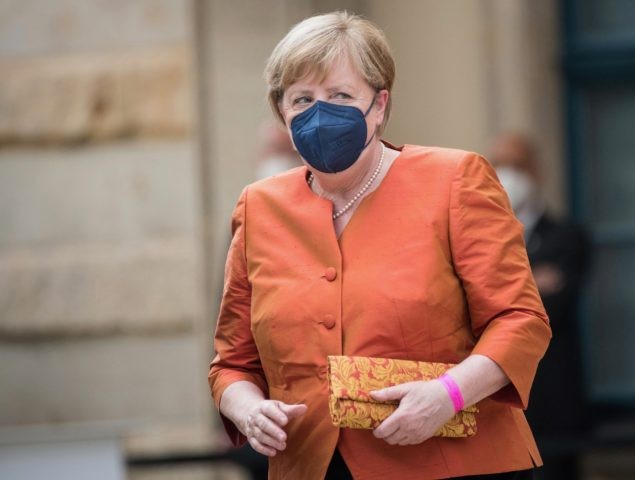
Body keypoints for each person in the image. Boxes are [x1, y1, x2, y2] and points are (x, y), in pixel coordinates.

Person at [208, 12, 551, 480]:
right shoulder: (258, 207)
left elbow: (520, 320)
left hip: (453, 462)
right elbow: (232, 363)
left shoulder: (454, 180)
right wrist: (248, 410)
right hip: (312, 464)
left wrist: (448, 394)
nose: (319, 112)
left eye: (340, 95)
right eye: (302, 99)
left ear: (380, 104)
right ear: (281, 112)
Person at [491, 133, 590, 480]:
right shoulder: (480, 239)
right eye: (499, 164)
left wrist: (501, 284)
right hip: (498, 401)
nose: (508, 175)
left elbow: (554, 308)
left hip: (553, 398)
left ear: (537, 172)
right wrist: (534, 278)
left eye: (517, 165)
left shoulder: (567, 237)